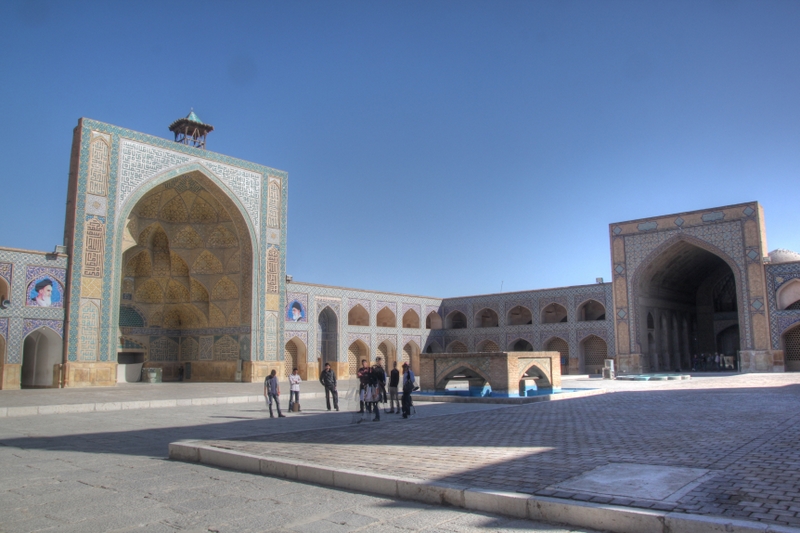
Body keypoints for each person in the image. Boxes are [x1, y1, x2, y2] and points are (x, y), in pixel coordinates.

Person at [368, 356, 387, 422]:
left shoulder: (377, 368)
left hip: (377, 387)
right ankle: (376, 414)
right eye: (380, 361)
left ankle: (377, 416)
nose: (381, 362)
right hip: (377, 386)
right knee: (375, 401)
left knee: (375, 402)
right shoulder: (377, 368)